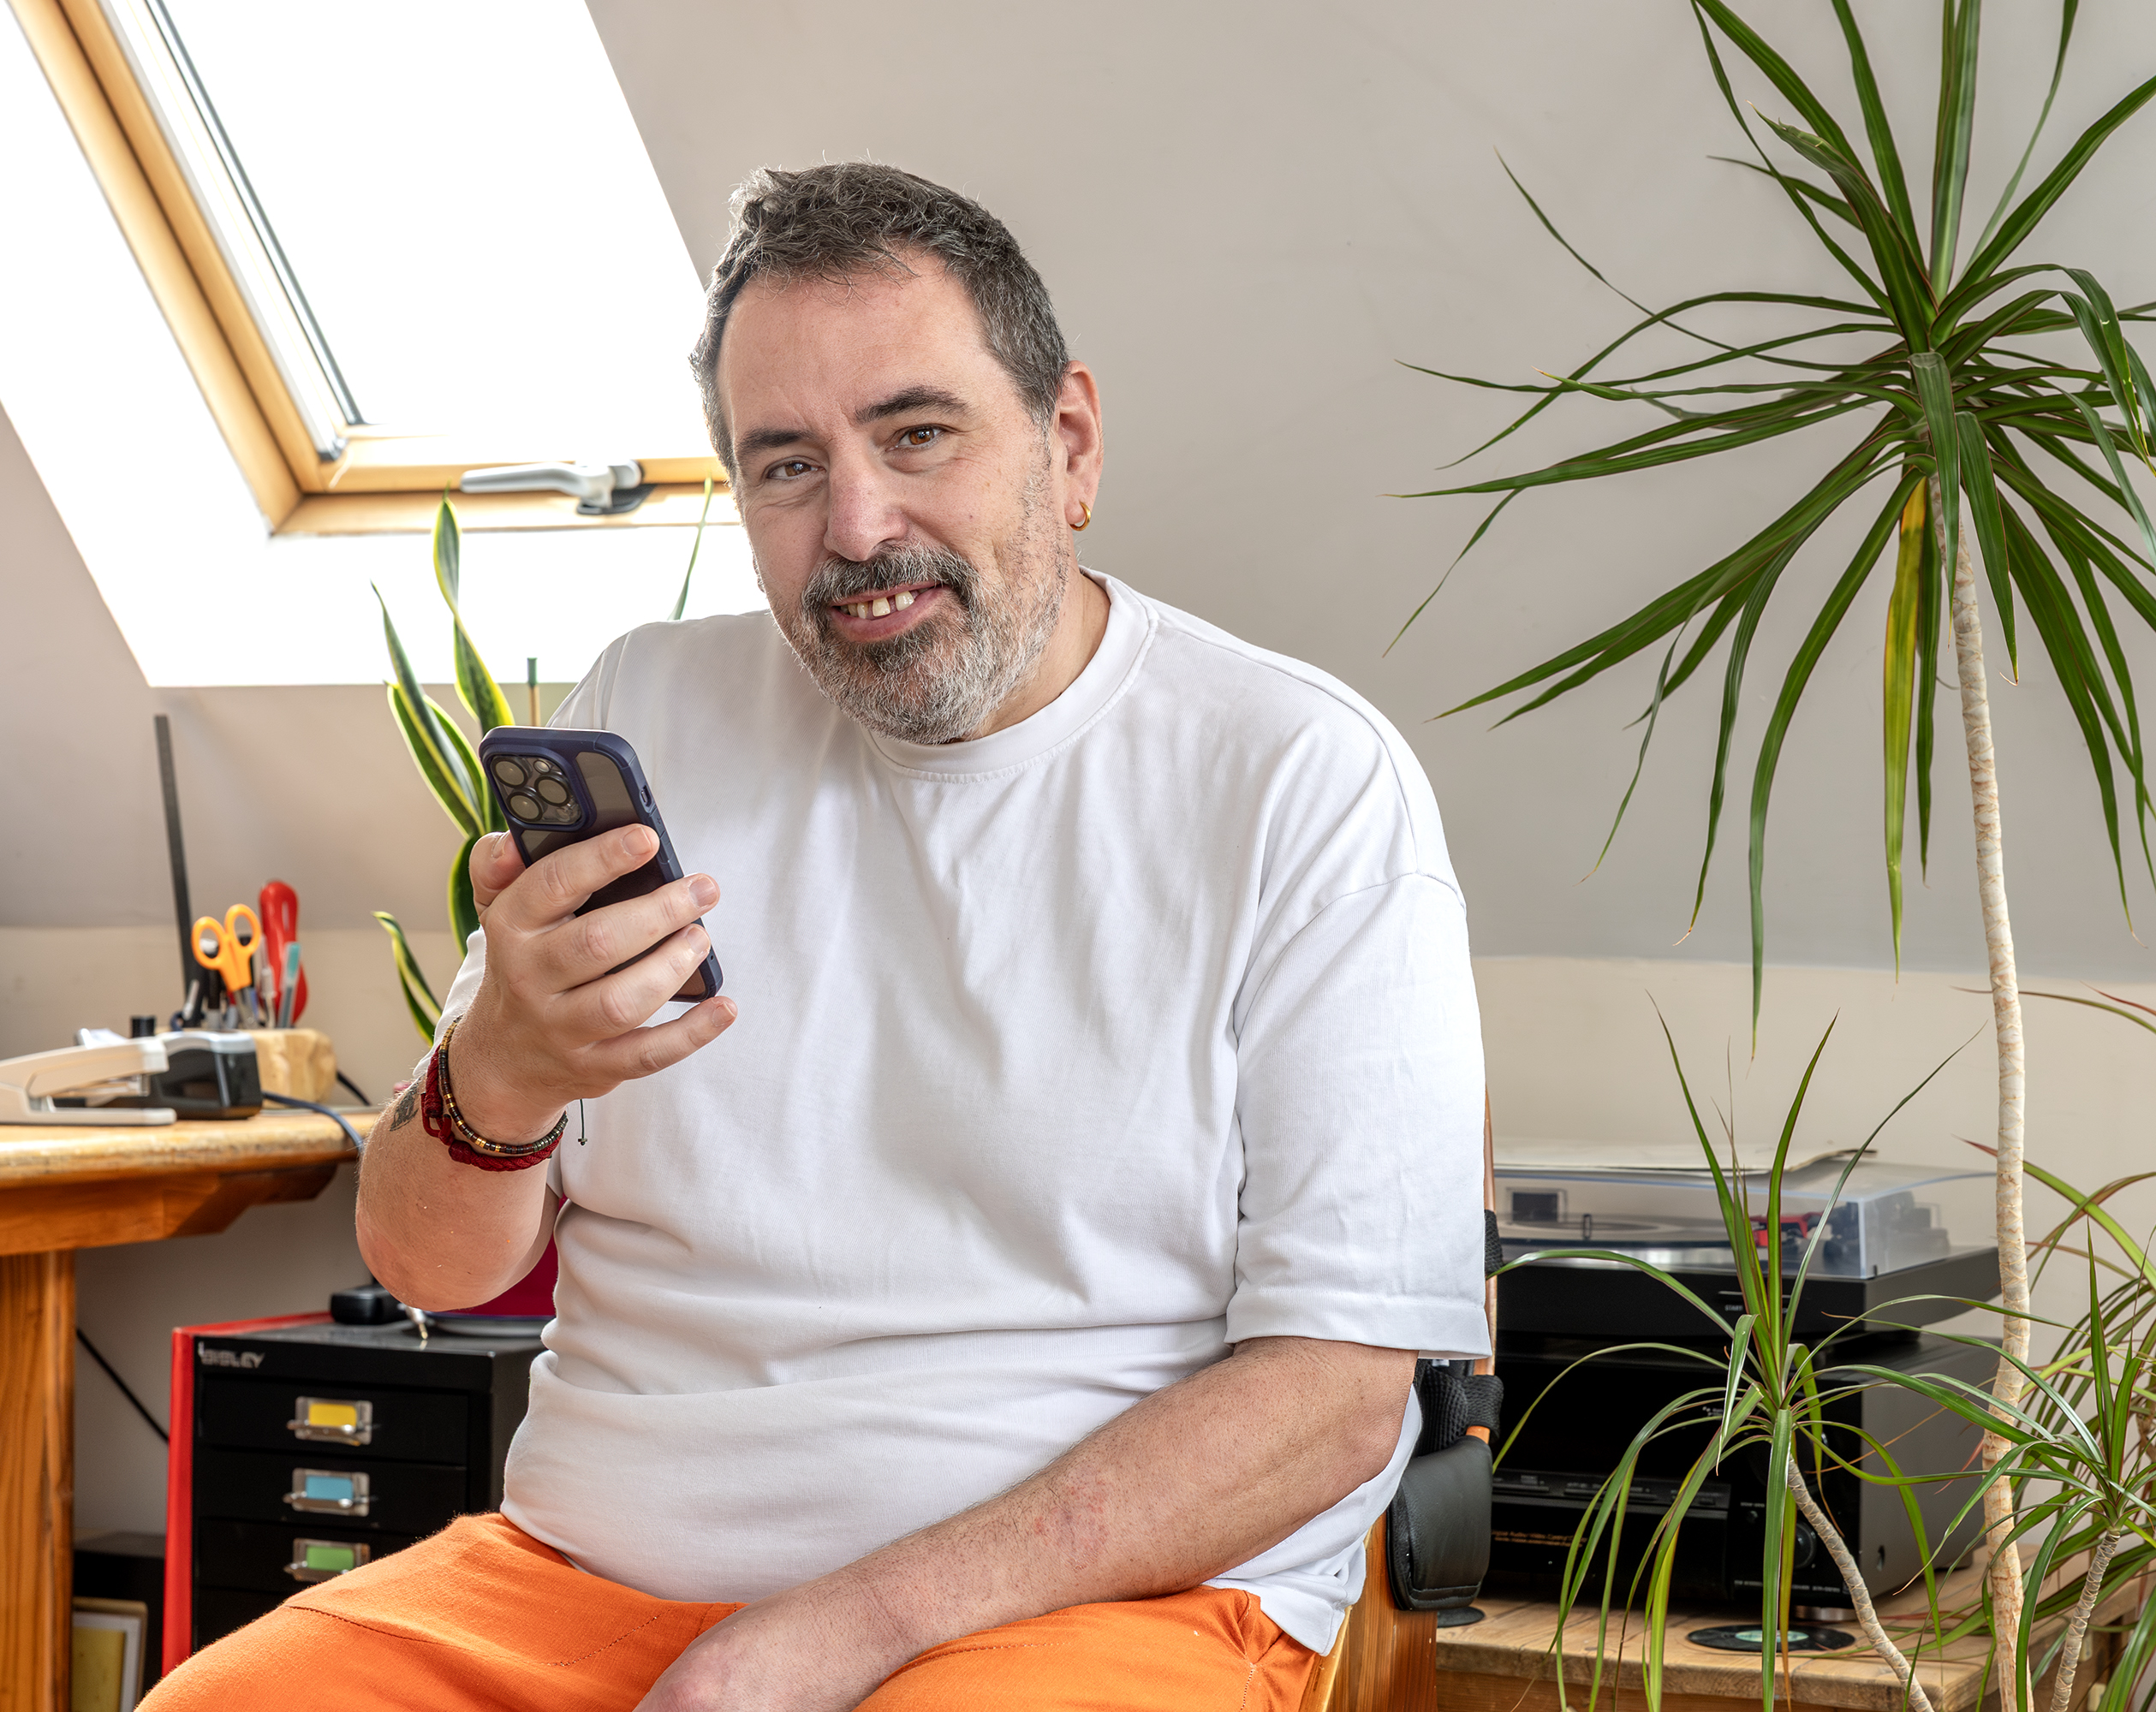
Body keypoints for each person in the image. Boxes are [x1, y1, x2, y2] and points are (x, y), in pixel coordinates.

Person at [149, 163, 1487, 1712]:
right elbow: (424, 1262)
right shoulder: (644, 706)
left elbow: (1335, 1401)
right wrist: (500, 1078)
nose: (856, 525)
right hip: (585, 1580)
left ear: (1068, 445)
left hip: (1099, 1610)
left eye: (917, 435)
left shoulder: (1299, 778)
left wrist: (834, 1634)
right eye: (785, 466)